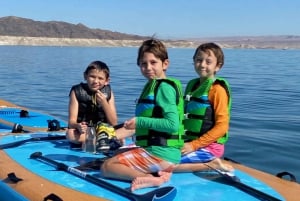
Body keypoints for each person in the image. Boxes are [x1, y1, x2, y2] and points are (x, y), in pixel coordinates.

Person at [101, 39, 185, 191]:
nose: (148, 68)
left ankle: (152, 179)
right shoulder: (153, 85)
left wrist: (140, 121)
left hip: (161, 153)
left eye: (153, 62)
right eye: (143, 64)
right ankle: (159, 170)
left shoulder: (163, 88)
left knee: (107, 166)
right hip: (161, 151)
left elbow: (173, 125)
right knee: (115, 152)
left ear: (165, 64)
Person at [174, 42, 233, 172]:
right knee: (156, 154)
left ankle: (212, 165)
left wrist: (194, 145)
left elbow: (222, 127)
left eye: (208, 62)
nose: (202, 65)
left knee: (164, 163)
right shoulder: (192, 85)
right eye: (199, 60)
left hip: (209, 147)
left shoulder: (217, 90)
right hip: (189, 143)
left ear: (218, 66)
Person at [66, 60, 118, 145]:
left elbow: (114, 123)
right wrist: (78, 126)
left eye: (100, 78)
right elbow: (71, 122)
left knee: (128, 129)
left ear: (107, 81)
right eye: (92, 76)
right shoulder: (76, 91)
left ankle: (100, 139)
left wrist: (104, 103)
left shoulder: (109, 92)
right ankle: (102, 141)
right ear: (85, 76)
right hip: (84, 132)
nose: (95, 81)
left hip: (103, 130)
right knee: (70, 134)